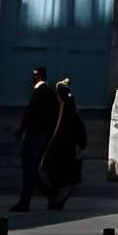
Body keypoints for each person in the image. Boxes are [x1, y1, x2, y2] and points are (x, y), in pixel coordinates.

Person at [14, 67, 58, 212]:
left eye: (34, 75)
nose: (32, 78)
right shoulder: (49, 92)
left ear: (38, 76)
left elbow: (30, 114)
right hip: (40, 136)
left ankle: (30, 200)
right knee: (31, 171)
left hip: (35, 137)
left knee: (29, 170)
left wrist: (21, 131)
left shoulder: (41, 92)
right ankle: (46, 196)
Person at [39, 76, 87, 211]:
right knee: (54, 177)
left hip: (64, 151)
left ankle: (56, 201)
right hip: (59, 150)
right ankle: (55, 199)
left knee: (62, 179)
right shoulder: (60, 110)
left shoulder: (64, 110)